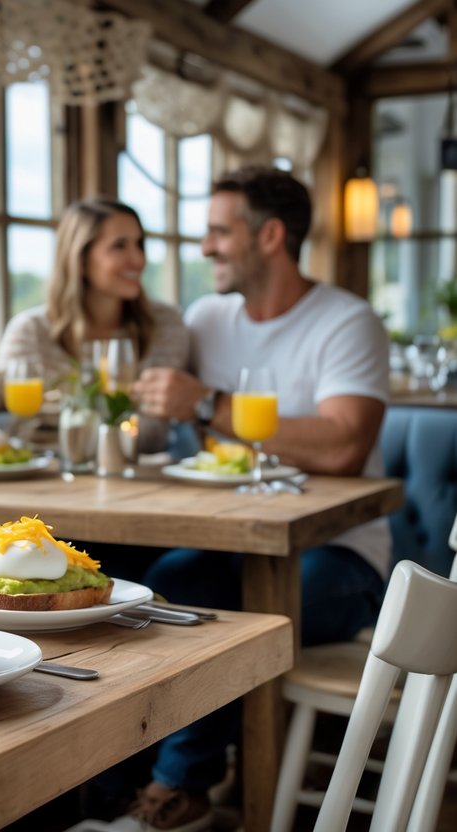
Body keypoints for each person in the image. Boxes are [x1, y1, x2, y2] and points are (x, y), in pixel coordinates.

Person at [110, 167, 391, 831]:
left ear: (269, 236)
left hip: (342, 558)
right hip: (233, 540)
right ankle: (138, 779)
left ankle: (180, 785)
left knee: (231, 607)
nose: (203, 246)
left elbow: (343, 446)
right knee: (167, 583)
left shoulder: (346, 321)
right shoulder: (207, 318)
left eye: (217, 231)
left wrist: (207, 402)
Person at [0, 197, 189, 452]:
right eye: (119, 246)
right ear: (81, 258)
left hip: (135, 480)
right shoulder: (29, 332)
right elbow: (23, 430)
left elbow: (154, 432)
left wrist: (73, 435)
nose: (138, 260)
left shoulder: (165, 324)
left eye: (139, 244)